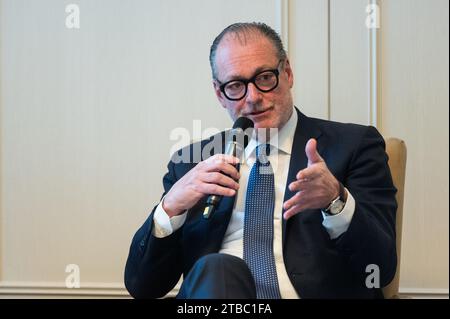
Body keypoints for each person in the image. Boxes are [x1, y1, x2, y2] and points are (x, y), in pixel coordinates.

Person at [124, 22, 397, 299]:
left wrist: (336, 201)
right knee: (218, 267)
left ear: (287, 73)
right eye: (235, 85)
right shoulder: (190, 164)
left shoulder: (353, 146)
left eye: (265, 78)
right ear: (220, 94)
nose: (253, 98)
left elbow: (379, 270)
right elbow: (143, 287)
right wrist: (170, 208)